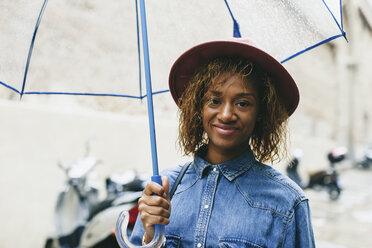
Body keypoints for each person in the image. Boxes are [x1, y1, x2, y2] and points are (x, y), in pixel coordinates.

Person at [129, 38, 315, 247]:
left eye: (242, 103)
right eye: (215, 101)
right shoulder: (163, 189)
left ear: (261, 113)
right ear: (198, 107)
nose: (226, 115)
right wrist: (151, 237)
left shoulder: (287, 202)